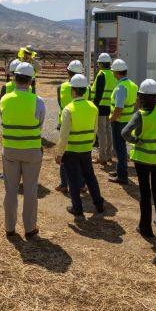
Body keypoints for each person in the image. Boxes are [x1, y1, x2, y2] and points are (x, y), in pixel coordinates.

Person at [123, 79, 156, 237]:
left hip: (142, 159)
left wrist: (135, 140)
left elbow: (124, 133)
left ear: (141, 97)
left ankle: (145, 228)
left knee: (145, 192)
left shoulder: (140, 115)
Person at [0, 62, 45, 238]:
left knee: (11, 190)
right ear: (31, 80)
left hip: (10, 150)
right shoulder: (38, 101)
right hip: (32, 151)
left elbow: (3, 118)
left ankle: (9, 227)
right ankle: (29, 228)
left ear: (14, 78)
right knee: (30, 190)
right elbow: (40, 124)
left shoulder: (5, 99)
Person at [54, 74, 104, 217]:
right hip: (86, 149)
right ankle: (99, 203)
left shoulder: (68, 109)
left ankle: (77, 207)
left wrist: (60, 153)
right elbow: (95, 130)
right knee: (90, 176)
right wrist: (89, 144)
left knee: (72, 178)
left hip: (71, 150)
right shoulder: (93, 107)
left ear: (73, 90)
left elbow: (64, 135)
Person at [55, 60, 88, 192]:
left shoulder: (61, 87)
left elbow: (60, 104)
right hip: (82, 124)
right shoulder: (87, 88)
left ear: (68, 72)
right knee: (81, 155)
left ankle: (64, 184)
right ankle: (81, 184)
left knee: (64, 153)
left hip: (64, 123)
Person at [108, 59, 138, 184]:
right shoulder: (132, 85)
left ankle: (122, 176)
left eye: (113, 71)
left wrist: (111, 119)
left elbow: (118, 109)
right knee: (122, 148)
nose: (112, 73)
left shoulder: (121, 88)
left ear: (116, 72)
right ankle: (120, 170)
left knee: (119, 149)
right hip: (128, 121)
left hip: (119, 122)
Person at [91, 53, 116, 166]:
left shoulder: (102, 75)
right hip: (110, 107)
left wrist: (94, 107)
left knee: (101, 132)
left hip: (101, 107)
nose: (98, 65)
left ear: (101, 64)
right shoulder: (113, 74)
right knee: (108, 131)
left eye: (98, 63)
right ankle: (109, 155)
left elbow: (98, 94)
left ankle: (102, 157)